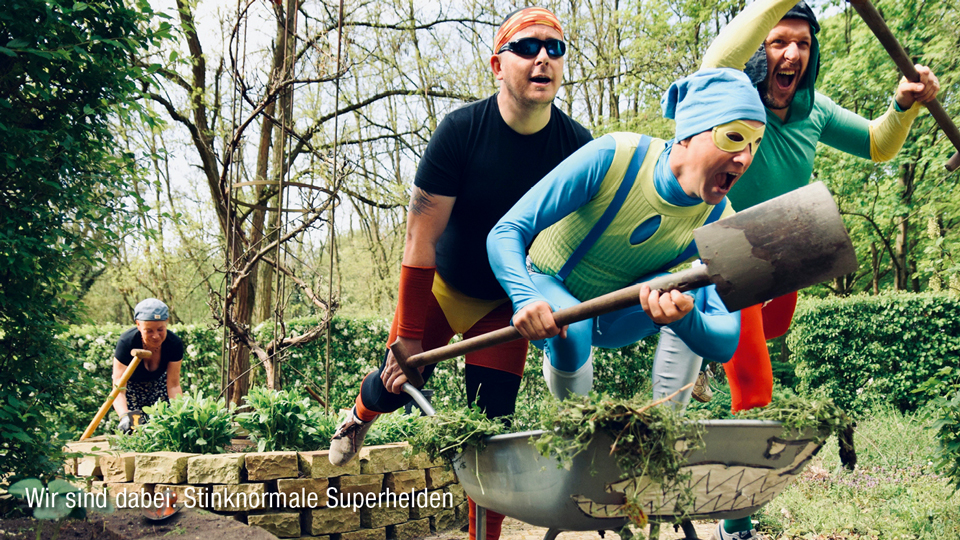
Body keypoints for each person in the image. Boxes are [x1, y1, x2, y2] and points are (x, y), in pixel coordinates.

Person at [645, 2, 940, 539]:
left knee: (775, 329)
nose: (791, 54)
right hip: (729, 249)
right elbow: (716, 58)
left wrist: (904, 106)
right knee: (756, 387)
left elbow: (878, 144)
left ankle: (712, 359)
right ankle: (736, 526)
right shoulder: (728, 97)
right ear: (759, 47)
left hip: (785, 248)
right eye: (779, 40)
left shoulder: (816, 111)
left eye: (803, 43)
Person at [327, 7, 592, 540]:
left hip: (507, 303)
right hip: (444, 287)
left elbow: (585, 245)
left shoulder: (579, 147)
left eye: (555, 48)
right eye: (527, 47)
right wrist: (405, 336)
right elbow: (419, 238)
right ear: (498, 64)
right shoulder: (461, 131)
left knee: (490, 434)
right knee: (398, 382)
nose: (543, 57)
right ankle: (358, 417)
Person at [487, 68, 767, 400]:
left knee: (690, 288)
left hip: (620, 314)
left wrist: (686, 320)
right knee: (573, 328)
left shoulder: (723, 221)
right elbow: (506, 231)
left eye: (755, 143)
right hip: (550, 287)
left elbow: (724, 342)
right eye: (733, 137)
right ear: (688, 134)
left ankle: (664, 433)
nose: (745, 157)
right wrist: (525, 297)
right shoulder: (614, 156)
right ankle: (576, 430)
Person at [112, 298, 184, 433]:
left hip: (160, 388)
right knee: (135, 431)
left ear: (167, 322)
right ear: (138, 325)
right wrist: (124, 416)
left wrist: (181, 413)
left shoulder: (174, 344)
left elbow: (173, 385)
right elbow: (118, 388)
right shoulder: (126, 343)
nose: (156, 336)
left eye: (160, 329)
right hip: (132, 392)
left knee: (164, 431)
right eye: (149, 331)